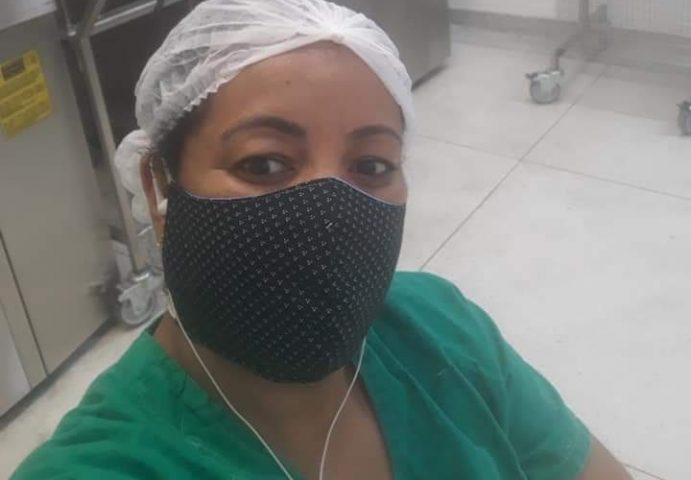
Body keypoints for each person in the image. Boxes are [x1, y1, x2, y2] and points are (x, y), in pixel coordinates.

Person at [12, 1, 632, 479]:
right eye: (264, 163)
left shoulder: (443, 329)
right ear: (159, 186)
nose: (328, 216)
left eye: (371, 165)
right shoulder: (101, 466)